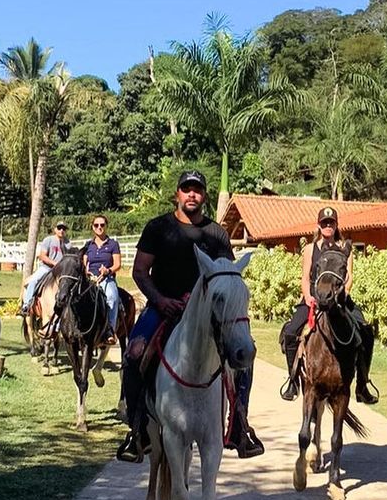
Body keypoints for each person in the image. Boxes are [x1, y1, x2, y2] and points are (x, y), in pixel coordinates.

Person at [117, 169, 263, 462]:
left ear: (204, 195)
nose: (192, 194)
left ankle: (238, 427)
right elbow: (139, 271)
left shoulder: (216, 233)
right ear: (178, 194)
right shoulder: (158, 228)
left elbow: (228, 275)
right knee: (134, 352)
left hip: (205, 317)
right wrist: (160, 300)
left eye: (197, 189)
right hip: (163, 308)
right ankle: (137, 429)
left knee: (244, 358)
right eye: (187, 189)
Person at [279, 206, 378, 404]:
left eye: (331, 223)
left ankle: (362, 384)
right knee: (291, 332)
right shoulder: (310, 249)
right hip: (314, 299)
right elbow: (305, 278)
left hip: (339, 299)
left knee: (366, 331)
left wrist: (341, 295)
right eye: (324, 223)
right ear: (319, 225)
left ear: (336, 225)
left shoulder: (345, 249)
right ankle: (293, 380)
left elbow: (349, 278)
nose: (327, 226)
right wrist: (308, 296)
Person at [81, 214, 121, 342]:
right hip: (90, 279)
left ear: (106, 226)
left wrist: (107, 270)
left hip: (106, 278)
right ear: (92, 227)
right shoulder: (88, 245)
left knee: (112, 298)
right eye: (96, 225)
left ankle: (110, 330)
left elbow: (117, 264)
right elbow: (83, 262)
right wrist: (86, 271)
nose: (99, 227)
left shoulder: (113, 244)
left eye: (102, 225)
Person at [19, 221, 69, 315]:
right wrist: (54, 263)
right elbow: (42, 256)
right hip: (46, 268)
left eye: (64, 228)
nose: (61, 230)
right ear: (55, 229)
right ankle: (27, 305)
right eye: (59, 228)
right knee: (33, 281)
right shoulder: (48, 240)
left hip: (61, 271)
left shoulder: (68, 243)